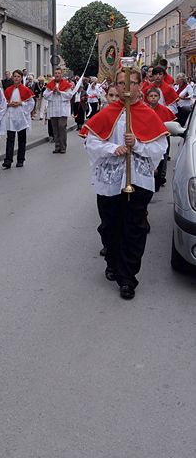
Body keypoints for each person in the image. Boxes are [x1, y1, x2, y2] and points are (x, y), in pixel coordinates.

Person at [81, 68, 168, 300]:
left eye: (131, 83)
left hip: (137, 181)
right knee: (110, 226)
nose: (126, 88)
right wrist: (113, 148)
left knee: (134, 229)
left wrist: (137, 144)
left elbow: (160, 148)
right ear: (116, 87)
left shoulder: (148, 115)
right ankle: (112, 261)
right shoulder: (107, 112)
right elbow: (91, 143)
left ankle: (128, 277)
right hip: (110, 181)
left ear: (140, 86)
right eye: (121, 83)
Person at [3, 69, 35, 168]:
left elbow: (31, 103)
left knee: (22, 139)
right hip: (11, 116)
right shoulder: (8, 90)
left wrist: (22, 103)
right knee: (10, 139)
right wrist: (8, 104)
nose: (16, 78)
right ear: (12, 78)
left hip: (21, 117)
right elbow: (3, 103)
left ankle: (20, 159)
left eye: (18, 76)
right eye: (15, 76)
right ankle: (8, 160)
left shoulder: (25, 90)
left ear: (21, 78)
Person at [145, 87, 174, 191]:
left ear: (159, 97)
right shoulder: (145, 109)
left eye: (155, 96)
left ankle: (161, 177)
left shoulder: (164, 110)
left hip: (162, 137)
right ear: (147, 98)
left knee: (163, 157)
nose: (153, 98)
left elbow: (170, 123)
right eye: (151, 96)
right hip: (149, 137)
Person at [43, 68, 75, 154]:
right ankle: (57, 146)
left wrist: (60, 92)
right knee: (55, 129)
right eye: (56, 73)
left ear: (61, 75)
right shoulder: (50, 84)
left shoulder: (66, 84)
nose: (57, 74)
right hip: (53, 109)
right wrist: (52, 91)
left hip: (62, 110)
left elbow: (70, 95)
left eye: (58, 73)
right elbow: (45, 95)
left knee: (61, 127)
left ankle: (63, 146)